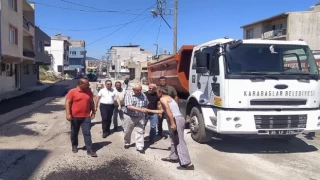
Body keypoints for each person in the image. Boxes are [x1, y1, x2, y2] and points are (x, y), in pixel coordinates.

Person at [146, 87, 194, 170]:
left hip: (176, 120)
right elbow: (161, 111)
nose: (157, 95)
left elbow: (168, 111)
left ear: (161, 92)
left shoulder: (163, 99)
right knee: (173, 140)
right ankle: (173, 157)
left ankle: (187, 163)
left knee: (179, 141)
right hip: (178, 118)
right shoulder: (169, 98)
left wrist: (172, 123)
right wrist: (147, 110)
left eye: (157, 92)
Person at [65, 78, 97, 157]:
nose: (88, 85)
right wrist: (68, 114)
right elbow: (67, 103)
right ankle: (74, 145)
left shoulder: (89, 92)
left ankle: (89, 149)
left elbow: (91, 102)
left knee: (87, 133)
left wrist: (93, 111)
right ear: (80, 84)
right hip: (75, 116)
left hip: (86, 116)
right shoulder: (72, 92)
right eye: (86, 84)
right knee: (74, 132)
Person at [123, 84, 149, 153]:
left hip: (140, 116)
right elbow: (129, 106)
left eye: (140, 90)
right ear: (133, 90)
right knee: (127, 131)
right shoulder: (129, 95)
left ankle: (140, 146)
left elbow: (146, 104)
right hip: (129, 116)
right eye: (137, 90)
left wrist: (146, 114)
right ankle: (127, 143)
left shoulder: (143, 95)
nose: (139, 91)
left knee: (140, 131)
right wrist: (140, 109)